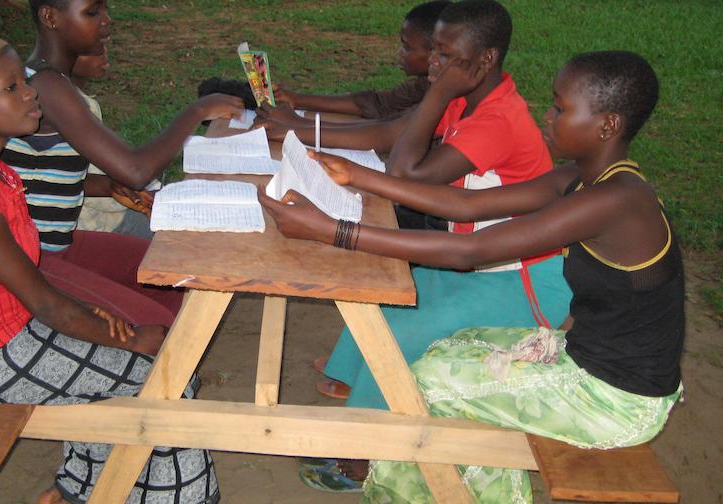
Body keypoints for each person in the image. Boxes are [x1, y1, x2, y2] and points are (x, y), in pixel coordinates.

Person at [260, 50, 683, 503]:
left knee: (427, 382)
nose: (547, 116)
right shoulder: (581, 181)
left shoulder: (614, 202)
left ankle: (415, 489)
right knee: (449, 350)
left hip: (612, 401)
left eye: (560, 108)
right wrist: (358, 175)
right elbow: (464, 206)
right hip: (588, 364)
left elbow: (470, 250)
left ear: (607, 125)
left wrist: (334, 232)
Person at [0, 34, 220, 504]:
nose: (31, 92)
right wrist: (131, 337)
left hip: (17, 331)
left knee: (132, 368)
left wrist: (103, 320)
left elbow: (41, 293)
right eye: (11, 88)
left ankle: (87, 488)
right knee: (166, 377)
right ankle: (181, 497)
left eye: (24, 82)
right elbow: (43, 301)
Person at [315, 0, 571, 415]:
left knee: (407, 336)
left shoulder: (498, 119)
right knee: (382, 298)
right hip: (473, 264)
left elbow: (405, 174)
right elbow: (395, 135)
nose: (434, 62)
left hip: (520, 282)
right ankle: (354, 378)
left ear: (485, 60)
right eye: (434, 50)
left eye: (446, 55)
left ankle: (365, 452)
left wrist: (438, 91)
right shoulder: (463, 98)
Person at [0, 0, 243, 324]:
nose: (106, 21)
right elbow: (136, 170)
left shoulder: (47, 79)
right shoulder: (48, 86)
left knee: (172, 280)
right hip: (37, 258)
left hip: (59, 243)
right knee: (158, 320)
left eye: (105, 10)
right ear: (50, 17)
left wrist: (108, 185)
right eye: (92, 12)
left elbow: (37, 175)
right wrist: (196, 111)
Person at [254, 1, 449, 152]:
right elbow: (379, 107)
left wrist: (295, 127)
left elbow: (388, 132)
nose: (400, 53)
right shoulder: (428, 85)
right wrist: (296, 103)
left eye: (407, 47)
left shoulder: (449, 98)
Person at [71, 46, 156, 239]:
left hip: (114, 209)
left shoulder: (83, 102)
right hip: (100, 224)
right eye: (96, 49)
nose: (105, 52)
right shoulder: (71, 109)